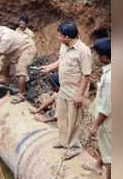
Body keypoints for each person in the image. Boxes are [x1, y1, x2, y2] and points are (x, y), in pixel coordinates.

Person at [41, 20, 92, 160]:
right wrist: (49, 67)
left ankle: (74, 147)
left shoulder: (83, 52)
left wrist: (79, 95)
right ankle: (64, 141)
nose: (58, 38)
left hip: (75, 92)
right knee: (62, 117)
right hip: (63, 89)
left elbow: (86, 75)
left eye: (59, 36)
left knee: (74, 121)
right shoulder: (64, 46)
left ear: (67, 37)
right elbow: (61, 61)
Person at [82, 38, 111, 178]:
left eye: (98, 55)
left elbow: (106, 107)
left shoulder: (110, 77)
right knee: (105, 144)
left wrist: (95, 125)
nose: (96, 58)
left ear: (105, 57)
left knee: (110, 154)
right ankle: (98, 165)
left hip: (108, 121)